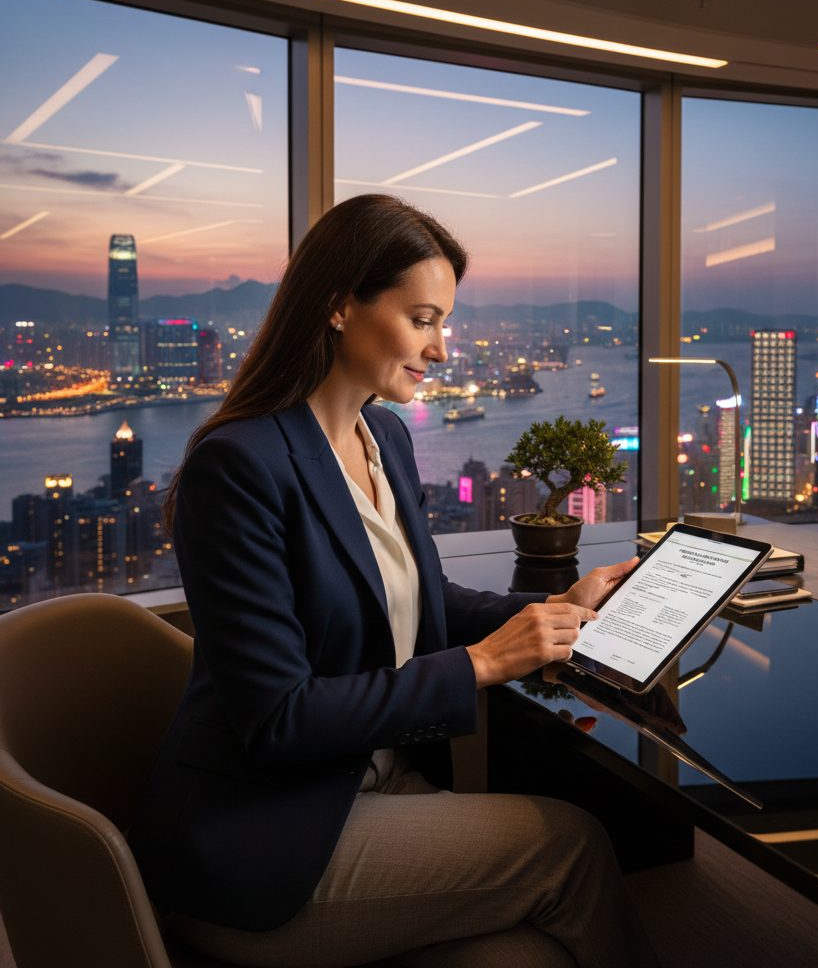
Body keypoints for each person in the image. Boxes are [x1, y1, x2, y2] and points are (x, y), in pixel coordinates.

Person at [129, 194, 660, 968]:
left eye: (443, 322)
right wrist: (483, 664)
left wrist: (551, 610)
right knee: (571, 846)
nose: (442, 349)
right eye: (423, 319)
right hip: (264, 835)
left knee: (528, 955)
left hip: (371, 787)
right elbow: (278, 719)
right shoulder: (239, 467)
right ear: (341, 306)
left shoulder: (382, 436)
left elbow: (421, 601)